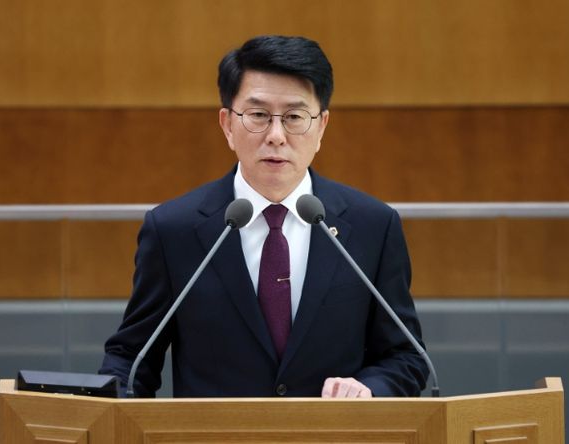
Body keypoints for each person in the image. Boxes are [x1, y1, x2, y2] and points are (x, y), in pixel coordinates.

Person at [99, 35, 429, 398]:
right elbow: (131, 359)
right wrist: (117, 407)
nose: (276, 136)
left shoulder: (373, 226)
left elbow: (406, 357)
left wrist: (368, 389)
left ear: (321, 126)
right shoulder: (173, 230)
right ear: (227, 124)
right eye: (258, 115)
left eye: (294, 117)